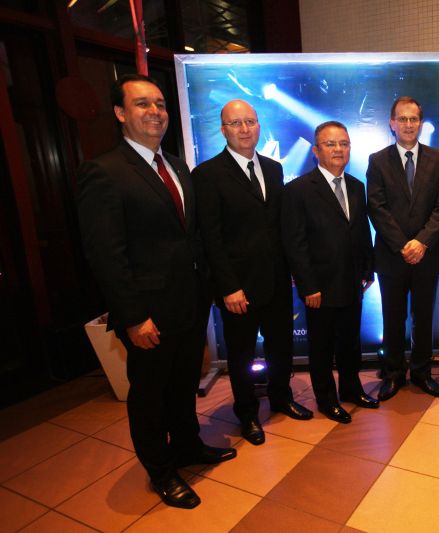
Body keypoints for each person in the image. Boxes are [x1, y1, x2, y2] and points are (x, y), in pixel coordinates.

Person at [77, 74, 235, 509]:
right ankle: (161, 470)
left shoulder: (177, 167)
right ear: (120, 113)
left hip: (189, 303)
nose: (155, 112)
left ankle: (187, 445)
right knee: (149, 396)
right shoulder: (104, 171)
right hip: (148, 311)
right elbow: (106, 255)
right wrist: (133, 317)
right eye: (142, 104)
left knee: (183, 384)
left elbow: (191, 237)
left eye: (161, 104)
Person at [193, 99, 312, 446]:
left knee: (281, 347)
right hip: (238, 288)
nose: (244, 129)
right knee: (242, 354)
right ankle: (246, 414)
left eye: (250, 121)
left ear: (259, 125)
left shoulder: (273, 169)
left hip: (276, 280)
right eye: (235, 123)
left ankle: (281, 398)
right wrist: (228, 286)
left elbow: (279, 227)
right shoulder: (207, 174)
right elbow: (210, 238)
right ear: (223, 130)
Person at [282, 121, 378, 423]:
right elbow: (295, 243)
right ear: (315, 150)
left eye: (344, 143)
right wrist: (307, 286)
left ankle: (351, 390)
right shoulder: (298, 190)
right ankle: (326, 399)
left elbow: (361, 231)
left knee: (350, 343)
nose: (339, 149)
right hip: (319, 288)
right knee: (322, 348)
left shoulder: (356, 185)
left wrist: (368, 269)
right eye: (330, 144)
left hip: (352, 281)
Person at [367, 96, 439, 400]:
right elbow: (376, 208)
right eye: (402, 119)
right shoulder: (377, 160)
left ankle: (421, 372)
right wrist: (403, 245)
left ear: (420, 122)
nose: (408, 124)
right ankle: (393, 374)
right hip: (392, 256)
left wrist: (422, 241)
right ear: (392, 123)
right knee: (393, 319)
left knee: (424, 318)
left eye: (413, 118)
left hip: (427, 255)